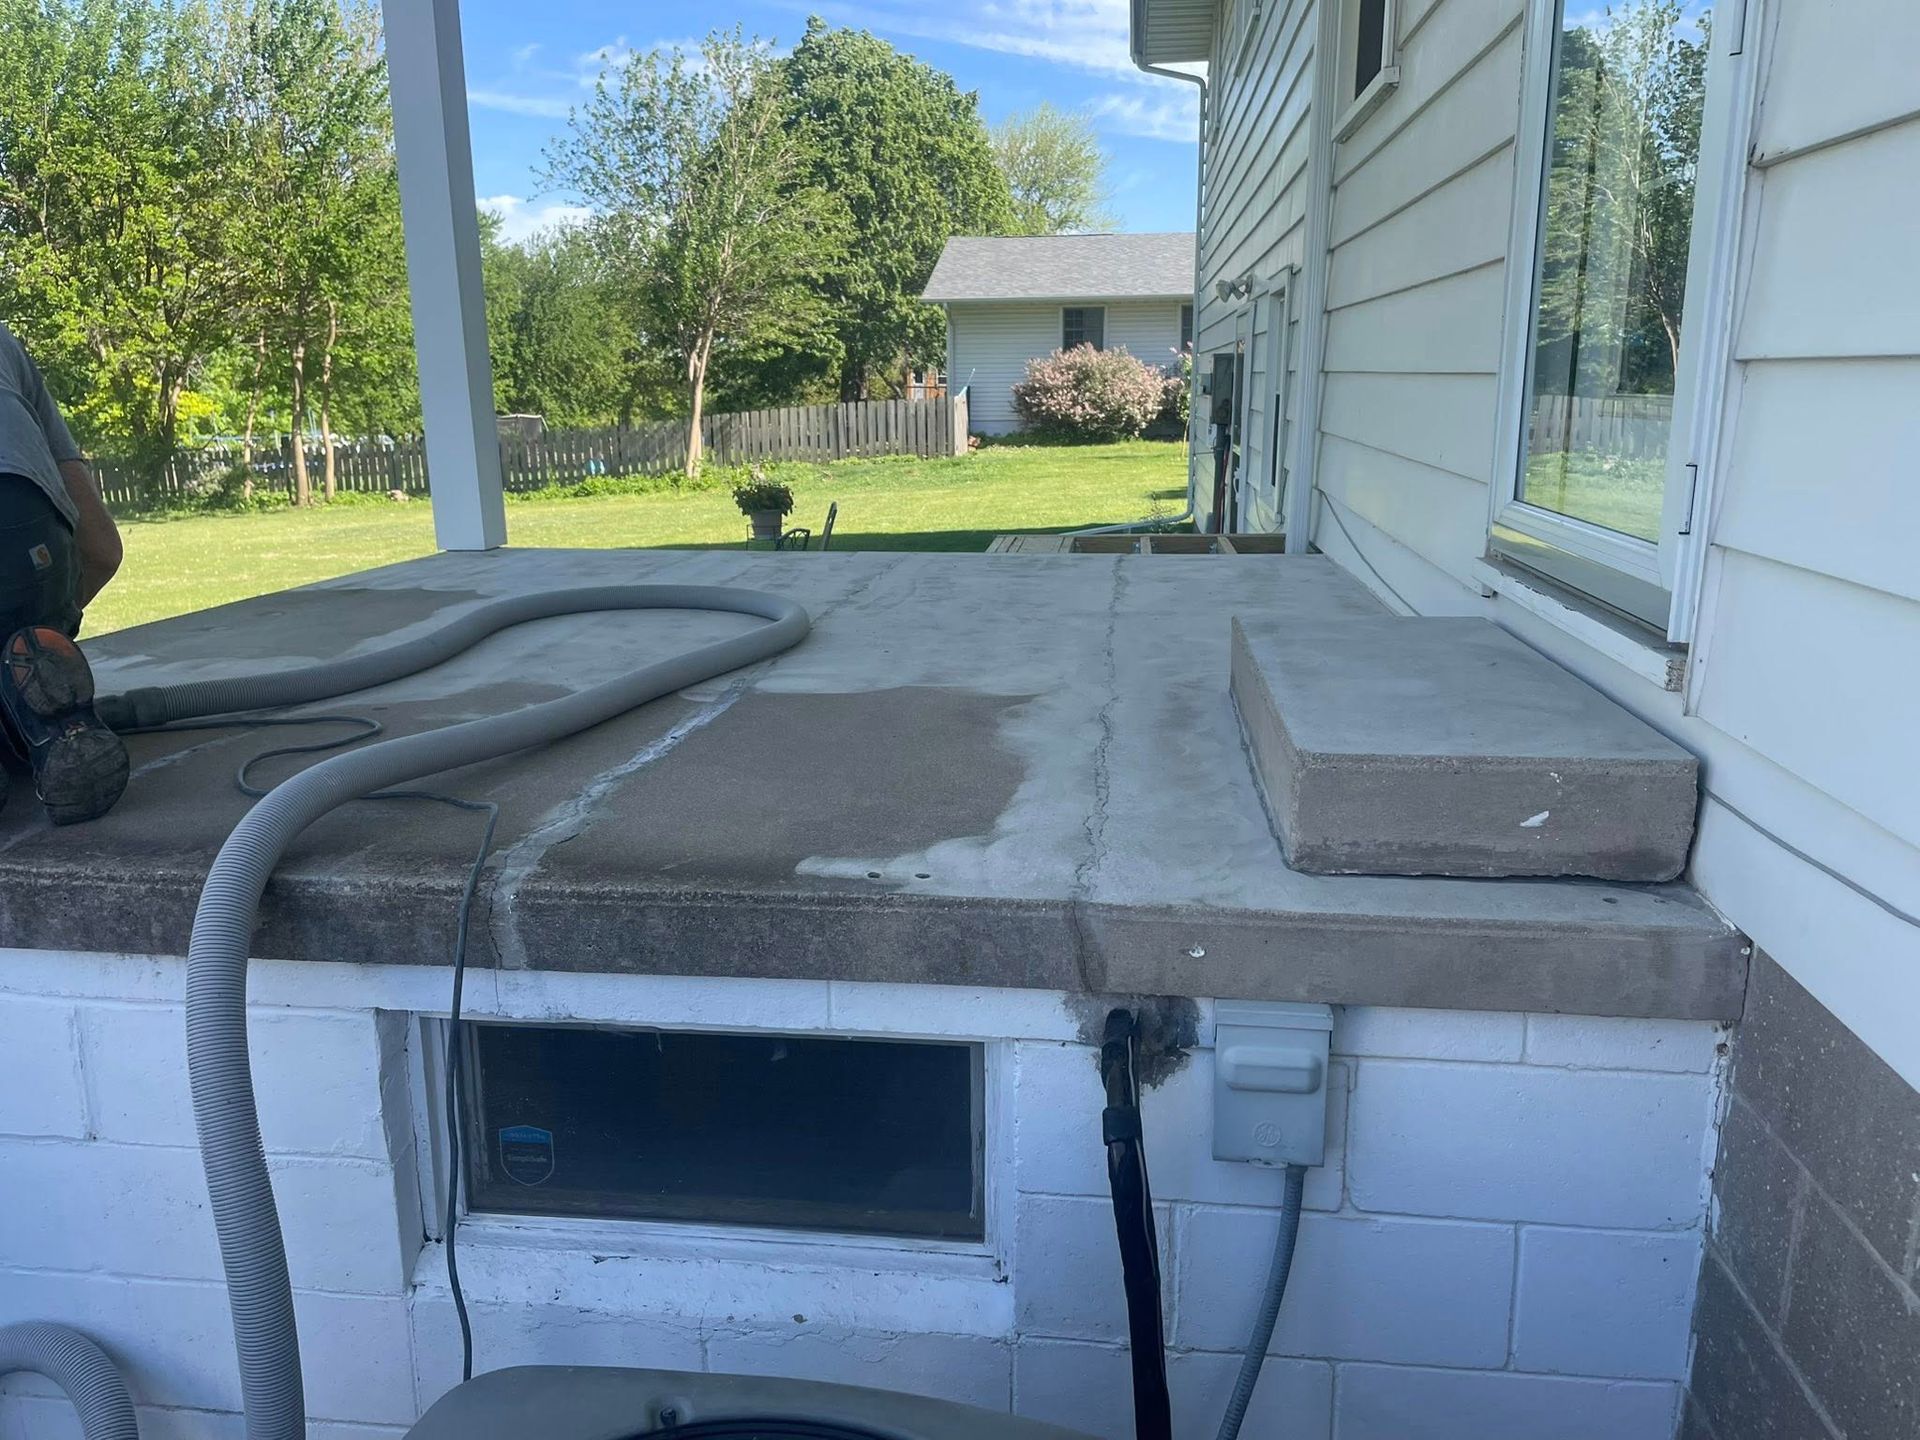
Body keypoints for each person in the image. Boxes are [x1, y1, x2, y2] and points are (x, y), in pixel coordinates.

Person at [0, 321, 129, 824]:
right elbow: (102, 550)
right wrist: (51, 618)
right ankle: (50, 722)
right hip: (27, 527)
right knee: (21, 650)